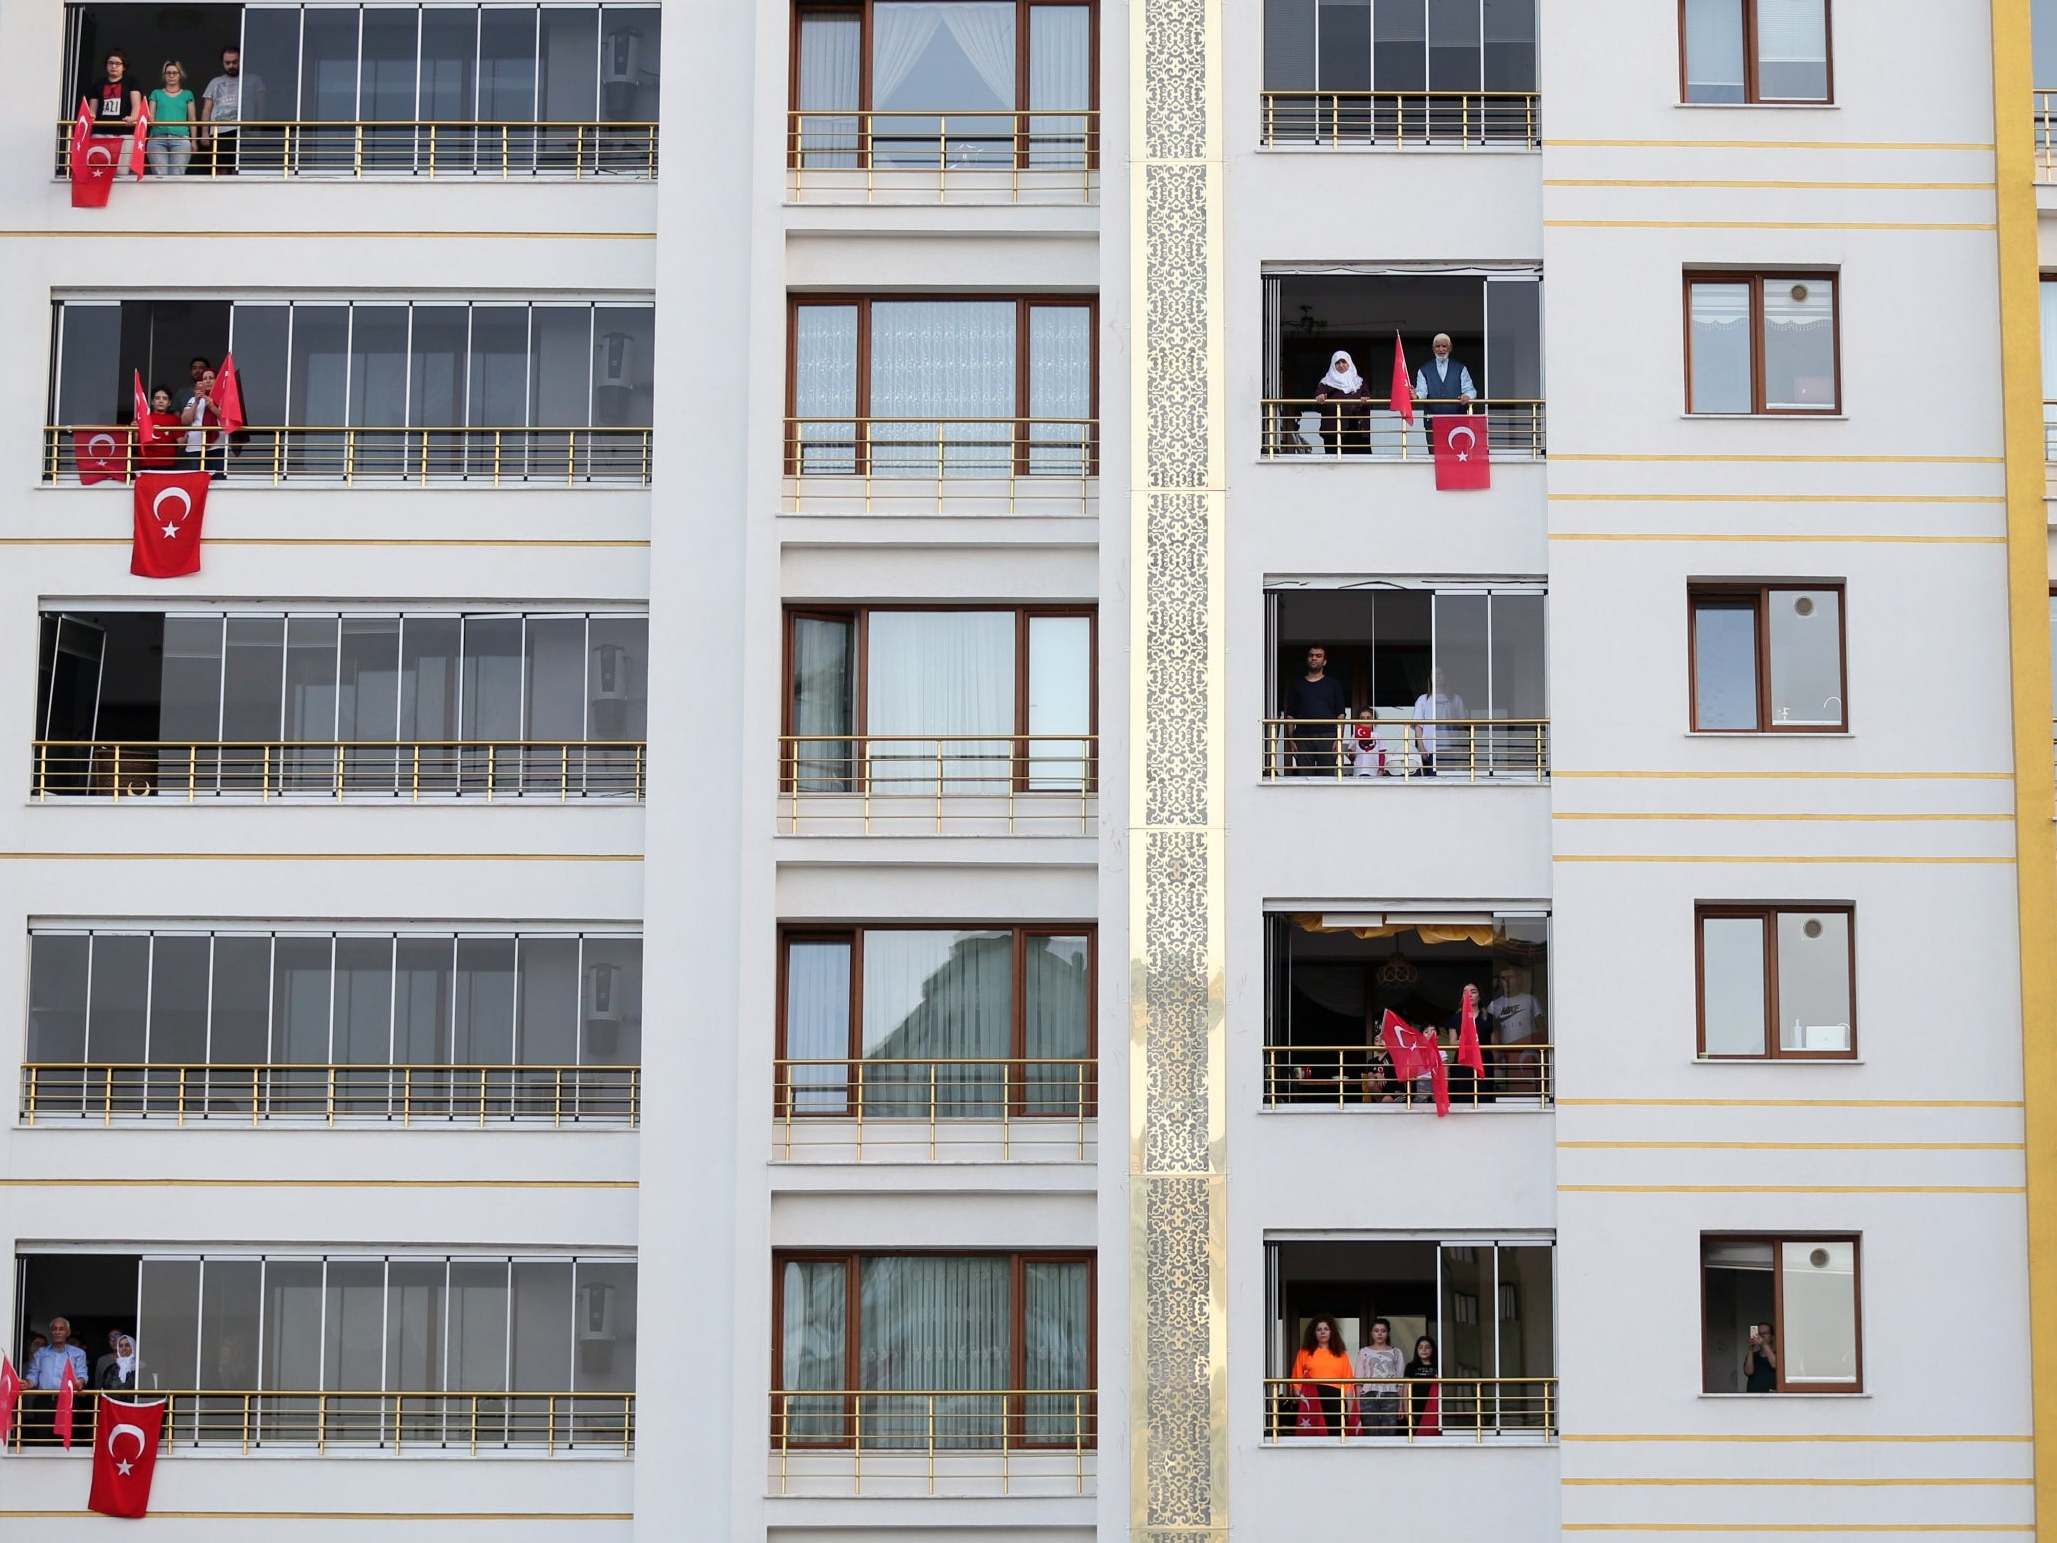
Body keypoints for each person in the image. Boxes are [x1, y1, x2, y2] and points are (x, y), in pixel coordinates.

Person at [1282, 645, 1349, 776]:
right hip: (1302, 736)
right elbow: (1290, 715)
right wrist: (1290, 740)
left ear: (1324, 661)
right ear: (1307, 659)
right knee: (1304, 777)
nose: (1314, 658)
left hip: (1328, 736)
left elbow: (1340, 714)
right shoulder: (1297, 684)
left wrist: (1339, 739)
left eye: (1318, 656)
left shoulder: (1333, 684)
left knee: (1327, 778)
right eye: (1311, 655)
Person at [1485, 966, 1546, 1099]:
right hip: (1505, 1056)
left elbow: (1542, 1027)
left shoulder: (1529, 999)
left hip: (1526, 1054)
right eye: (1503, 978)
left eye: (1510, 977)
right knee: (1507, 1091)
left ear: (1518, 979)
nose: (1506, 981)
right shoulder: (1494, 1005)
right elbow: (1491, 1032)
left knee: (1527, 1092)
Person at [201, 45, 263, 174]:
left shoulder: (254, 80)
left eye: (235, 62)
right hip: (219, 132)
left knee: (240, 169)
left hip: (244, 131)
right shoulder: (215, 82)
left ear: (241, 61)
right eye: (227, 63)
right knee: (220, 169)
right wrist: (204, 133)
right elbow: (207, 109)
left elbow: (261, 107)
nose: (231, 66)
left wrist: (257, 129)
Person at [1289, 1315, 1355, 1436]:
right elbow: (1296, 1380)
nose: (1322, 1332)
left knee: (1335, 1433)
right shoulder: (1304, 1353)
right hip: (1312, 1397)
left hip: (1335, 1398)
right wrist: (1302, 1401)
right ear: (1314, 1333)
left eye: (1326, 1329)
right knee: (1312, 1433)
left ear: (1332, 1332)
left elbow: (1348, 1385)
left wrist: (1351, 1410)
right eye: (1319, 1329)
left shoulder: (1341, 1354)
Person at [1413, 333, 1477, 451]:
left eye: (1444, 346)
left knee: (1456, 458)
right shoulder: (1424, 369)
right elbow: (1422, 392)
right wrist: (1415, 395)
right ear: (1433, 349)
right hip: (1432, 422)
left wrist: (1467, 396)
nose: (1441, 349)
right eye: (1437, 346)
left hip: (1457, 421)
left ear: (1450, 348)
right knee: (1435, 458)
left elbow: (1470, 390)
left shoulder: (1460, 368)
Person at [1312, 349, 1372, 455]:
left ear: (1349, 363)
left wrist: (1364, 401)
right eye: (1337, 363)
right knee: (1335, 465)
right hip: (1334, 432)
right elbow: (1317, 404)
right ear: (1333, 365)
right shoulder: (1325, 383)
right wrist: (1320, 398)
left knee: (1360, 464)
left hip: (1356, 430)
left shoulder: (1359, 382)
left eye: (1344, 362)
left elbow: (1367, 399)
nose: (1341, 365)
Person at [1411, 667, 1467, 777]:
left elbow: (1463, 725)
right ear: (1430, 678)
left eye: (1439, 673)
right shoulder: (1423, 699)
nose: (1437, 676)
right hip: (1430, 748)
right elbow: (1418, 726)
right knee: (1432, 781)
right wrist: (1421, 748)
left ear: (1445, 677)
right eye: (1434, 674)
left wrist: (1461, 748)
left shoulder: (1455, 699)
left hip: (1450, 748)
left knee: (1449, 781)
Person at [1354, 1318, 1406, 1433]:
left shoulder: (1396, 1352)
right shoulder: (1363, 1352)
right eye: (1376, 1330)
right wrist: (1357, 1407)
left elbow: (1400, 1383)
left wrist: (1401, 1406)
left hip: (1391, 1396)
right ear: (1372, 1333)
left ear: (1387, 1333)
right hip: (1368, 1396)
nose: (1379, 1333)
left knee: (1389, 1432)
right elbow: (1358, 1382)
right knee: (1371, 1432)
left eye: (1383, 1331)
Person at [147, 61, 197, 178]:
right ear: (164, 75)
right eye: (168, 73)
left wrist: (194, 141)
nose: (171, 75)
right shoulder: (156, 93)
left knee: (177, 177)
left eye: (174, 73)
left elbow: (192, 119)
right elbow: (151, 116)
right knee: (160, 176)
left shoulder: (187, 94)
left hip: (181, 138)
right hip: (157, 138)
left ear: (180, 75)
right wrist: (150, 118)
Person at [182, 368, 225, 478]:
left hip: (217, 447)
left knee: (218, 482)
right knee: (196, 482)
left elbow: (226, 419)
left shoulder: (223, 399)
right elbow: (185, 421)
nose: (208, 380)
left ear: (217, 381)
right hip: (195, 447)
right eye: (205, 378)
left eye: (211, 378)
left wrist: (212, 406)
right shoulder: (192, 399)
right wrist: (196, 402)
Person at [89, 50, 143, 138]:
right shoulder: (98, 83)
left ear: (124, 67)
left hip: (124, 131)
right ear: (106, 65)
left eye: (118, 63)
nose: (113, 66)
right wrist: (91, 117)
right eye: (110, 63)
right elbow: (92, 110)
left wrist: (133, 117)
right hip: (100, 131)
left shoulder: (131, 82)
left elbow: (136, 106)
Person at [26, 1317, 88, 1388]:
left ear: (68, 1333)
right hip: (44, 1396)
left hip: (67, 1396)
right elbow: (33, 1375)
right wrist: (28, 1383)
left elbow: (82, 1375)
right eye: (54, 1329)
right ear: (50, 1332)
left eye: (61, 1329)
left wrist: (79, 1382)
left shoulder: (78, 1353)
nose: (57, 1332)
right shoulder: (40, 1353)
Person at [1405, 1334, 1442, 1436]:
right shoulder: (1411, 1366)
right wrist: (1407, 1412)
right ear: (1417, 1350)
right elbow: (1406, 1390)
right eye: (1420, 1347)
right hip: (1415, 1407)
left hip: (1433, 1409)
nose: (1424, 1350)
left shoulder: (1438, 1366)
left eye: (1427, 1347)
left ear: (1432, 1350)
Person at [139, 385, 181, 470]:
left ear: (169, 403)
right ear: (152, 402)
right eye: (157, 398)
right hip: (147, 463)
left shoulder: (174, 419)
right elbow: (134, 441)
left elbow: (181, 442)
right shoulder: (143, 418)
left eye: (164, 398)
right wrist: (134, 430)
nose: (161, 401)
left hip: (168, 464)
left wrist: (191, 431)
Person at [1349, 706, 1384, 778]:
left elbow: (1381, 755)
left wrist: (1381, 769)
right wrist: (1352, 753)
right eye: (1362, 718)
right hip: (1358, 772)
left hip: (1374, 772)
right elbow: (1351, 757)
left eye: (1368, 718)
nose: (1365, 720)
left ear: (1373, 720)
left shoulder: (1377, 736)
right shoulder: (1355, 735)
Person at [1745, 1325, 1778, 1392]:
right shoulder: (1752, 1355)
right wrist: (1750, 1349)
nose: (1761, 1336)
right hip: (1753, 1397)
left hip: (1772, 1398)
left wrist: (1764, 1344)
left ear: (1772, 1337)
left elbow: (1775, 1365)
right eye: (1759, 1334)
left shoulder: (1778, 1355)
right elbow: (1748, 1372)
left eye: (1765, 1333)